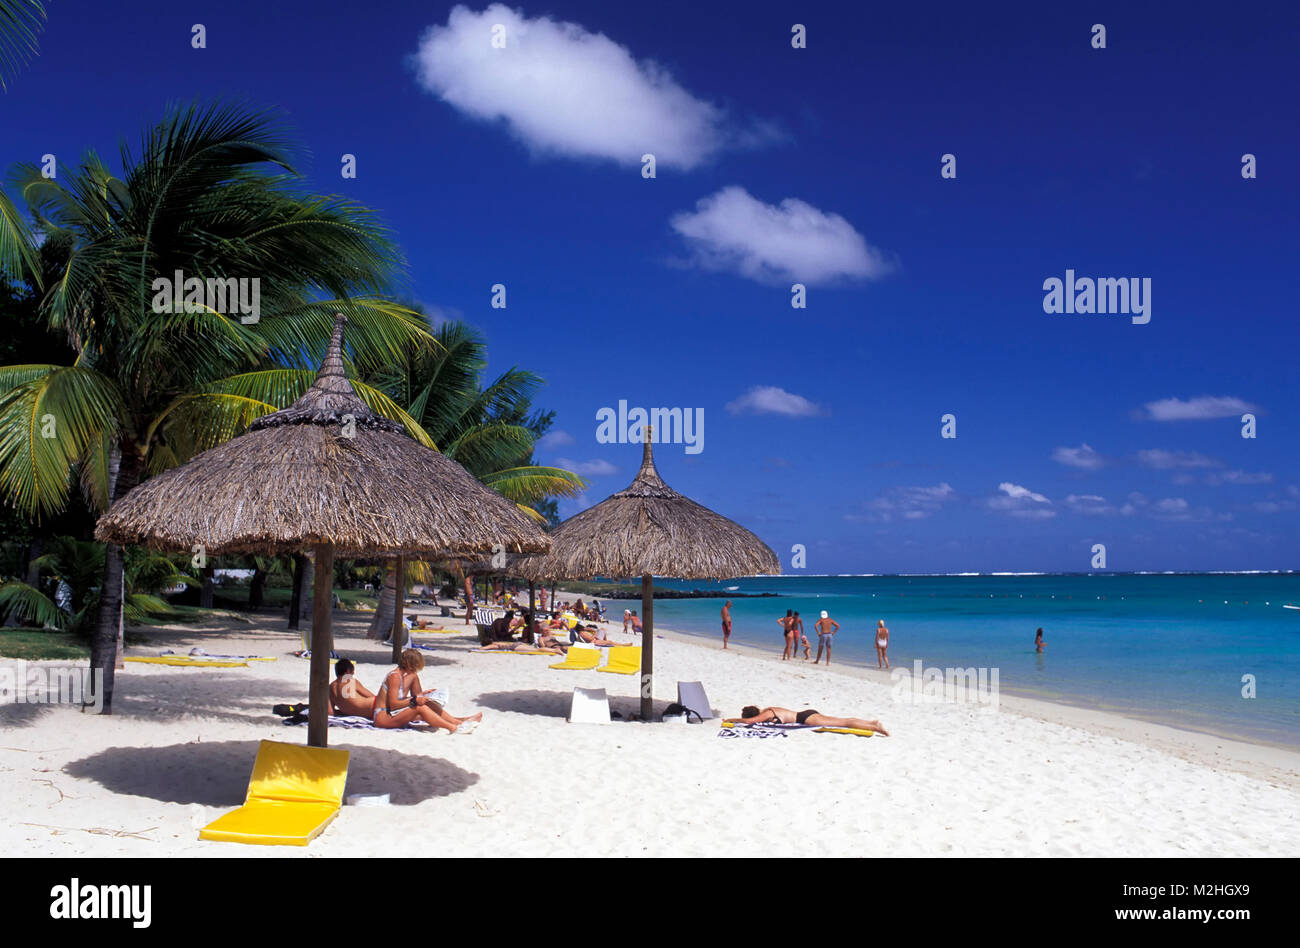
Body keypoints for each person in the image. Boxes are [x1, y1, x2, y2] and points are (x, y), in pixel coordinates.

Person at [373, 649, 482, 733]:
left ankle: (459, 722)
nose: (416, 669)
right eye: (415, 666)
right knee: (420, 708)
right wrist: (414, 700)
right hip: (383, 718)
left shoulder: (401, 675)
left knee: (426, 702)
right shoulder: (395, 677)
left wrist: (422, 696)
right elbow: (393, 704)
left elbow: (399, 700)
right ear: (410, 665)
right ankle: (453, 727)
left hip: (391, 714)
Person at [724, 705, 888, 736]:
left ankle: (875, 727)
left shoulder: (766, 714)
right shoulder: (769, 708)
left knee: (843, 723)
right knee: (841, 719)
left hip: (806, 718)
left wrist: (730, 720)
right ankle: (871, 723)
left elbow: (748, 722)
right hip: (806, 713)